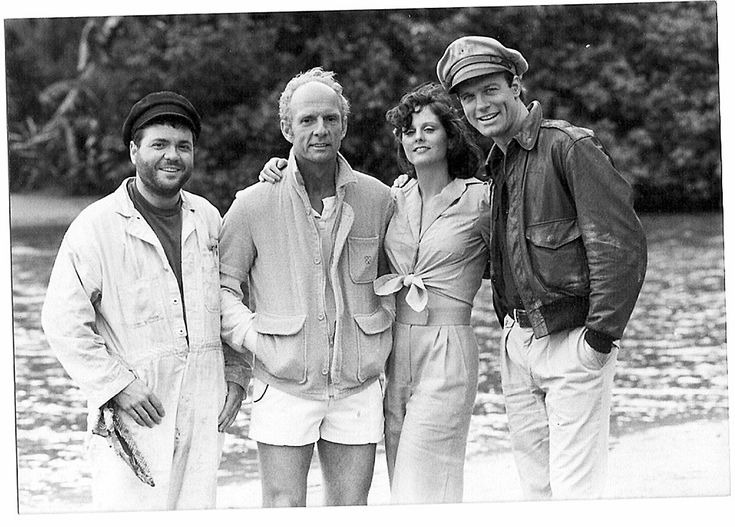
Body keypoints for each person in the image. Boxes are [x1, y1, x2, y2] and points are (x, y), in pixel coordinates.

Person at [436, 36, 648, 500]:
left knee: (575, 493)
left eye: (490, 89)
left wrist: (598, 341)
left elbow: (621, 247)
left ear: (515, 85)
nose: (479, 105)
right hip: (517, 346)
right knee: (536, 493)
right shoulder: (496, 166)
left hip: (572, 343)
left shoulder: (567, 147)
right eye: (468, 97)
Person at [41, 91, 249, 511]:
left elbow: (231, 300)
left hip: (203, 407)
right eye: (159, 145)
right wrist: (118, 386)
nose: (172, 156)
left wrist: (238, 374)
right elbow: (62, 322)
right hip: (132, 416)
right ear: (134, 151)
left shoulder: (208, 218)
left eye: (182, 146)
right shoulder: (95, 227)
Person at [219, 67, 394, 507]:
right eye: (307, 120)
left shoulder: (379, 199)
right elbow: (221, 288)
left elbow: (400, 280)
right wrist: (253, 336)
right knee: (283, 508)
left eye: (330, 119)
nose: (321, 130)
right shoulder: (253, 203)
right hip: (283, 383)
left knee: (352, 510)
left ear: (344, 124)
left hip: (358, 384)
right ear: (286, 128)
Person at [373, 83, 491, 503]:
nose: (416, 137)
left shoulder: (480, 199)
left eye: (428, 128)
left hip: (448, 348)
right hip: (396, 347)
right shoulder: (393, 197)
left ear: (450, 136)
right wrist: (281, 168)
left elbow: (516, 258)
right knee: (398, 480)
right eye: (408, 130)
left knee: (425, 481)